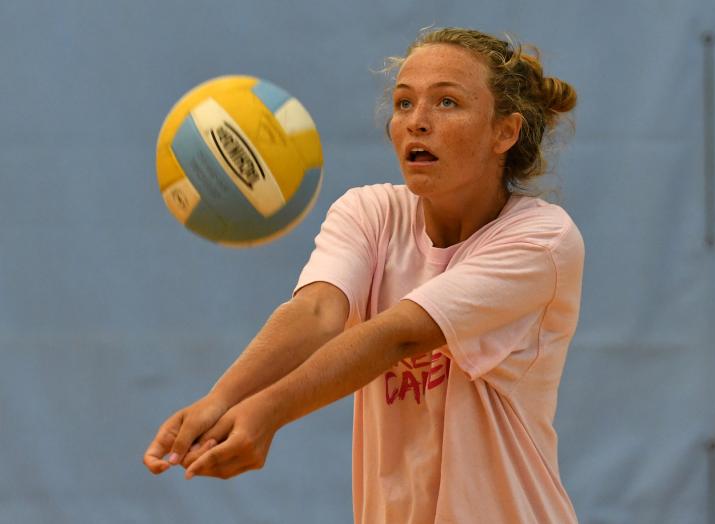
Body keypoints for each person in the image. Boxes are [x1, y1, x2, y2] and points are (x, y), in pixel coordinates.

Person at [144, 27, 583, 524]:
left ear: (504, 132)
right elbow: (315, 312)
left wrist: (266, 413)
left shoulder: (541, 240)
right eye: (403, 103)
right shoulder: (369, 211)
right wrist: (222, 400)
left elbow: (396, 336)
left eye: (446, 103)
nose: (417, 122)